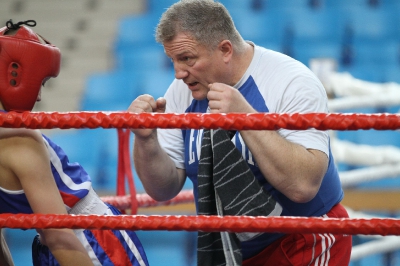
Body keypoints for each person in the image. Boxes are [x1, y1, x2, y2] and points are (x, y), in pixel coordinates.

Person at [128, 0, 352, 265]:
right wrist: (146, 140)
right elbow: (162, 189)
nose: (178, 73)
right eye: (173, 60)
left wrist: (246, 119)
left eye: (187, 58)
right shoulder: (182, 91)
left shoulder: (291, 82)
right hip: (232, 251)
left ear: (225, 49)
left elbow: (303, 186)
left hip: (304, 238)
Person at [0, 20, 149, 266]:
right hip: (65, 242)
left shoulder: (22, 139)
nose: (38, 96)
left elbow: (59, 235)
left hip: (90, 239)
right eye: (39, 82)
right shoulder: (20, 140)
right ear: (13, 72)